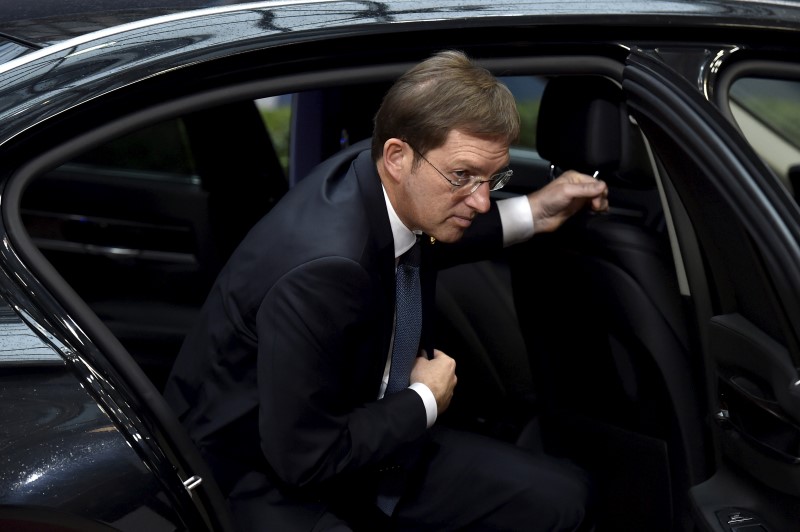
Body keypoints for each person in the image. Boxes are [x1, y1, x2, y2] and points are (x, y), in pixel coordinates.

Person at [164, 50, 608, 531]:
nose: (481, 200)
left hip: (369, 434)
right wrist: (424, 399)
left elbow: (435, 231)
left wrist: (535, 211)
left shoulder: (383, 177)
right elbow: (305, 458)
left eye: (491, 178)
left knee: (563, 498)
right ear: (398, 157)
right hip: (266, 479)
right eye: (462, 176)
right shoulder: (323, 272)